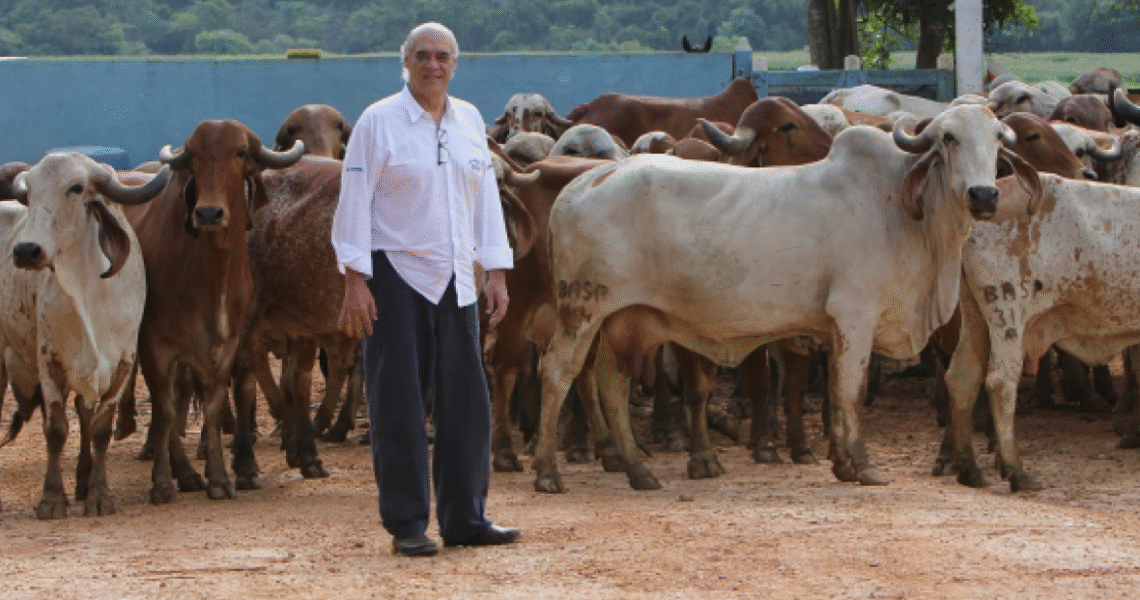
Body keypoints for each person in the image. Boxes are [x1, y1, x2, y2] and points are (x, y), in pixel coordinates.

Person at [332, 21, 520, 557]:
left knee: (466, 402)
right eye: (422, 55)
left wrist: (497, 271)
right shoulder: (378, 122)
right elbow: (354, 200)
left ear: (455, 64)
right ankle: (409, 523)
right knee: (398, 400)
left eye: (442, 56)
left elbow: (485, 200)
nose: (432, 64)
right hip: (396, 275)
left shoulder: (468, 120)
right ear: (406, 62)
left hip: (459, 275)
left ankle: (465, 518)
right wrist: (355, 279)